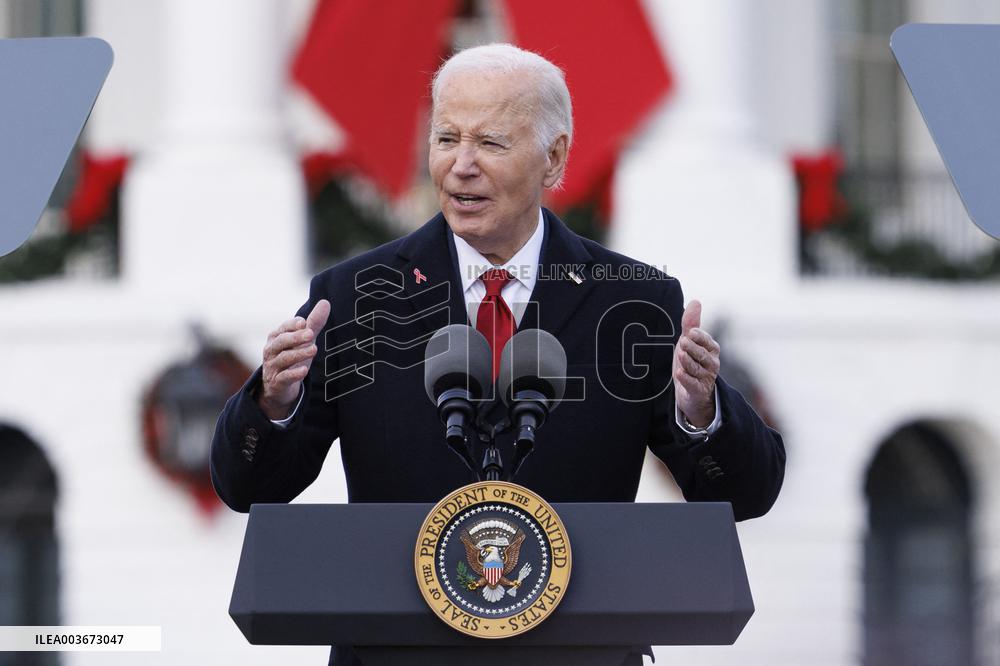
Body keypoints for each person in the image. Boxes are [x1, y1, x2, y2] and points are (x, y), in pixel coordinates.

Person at [211, 43, 785, 665]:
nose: (460, 166)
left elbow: (746, 494)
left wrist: (699, 410)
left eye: (490, 143)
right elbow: (248, 486)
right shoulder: (355, 297)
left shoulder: (633, 300)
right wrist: (272, 401)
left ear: (554, 156)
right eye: (445, 138)